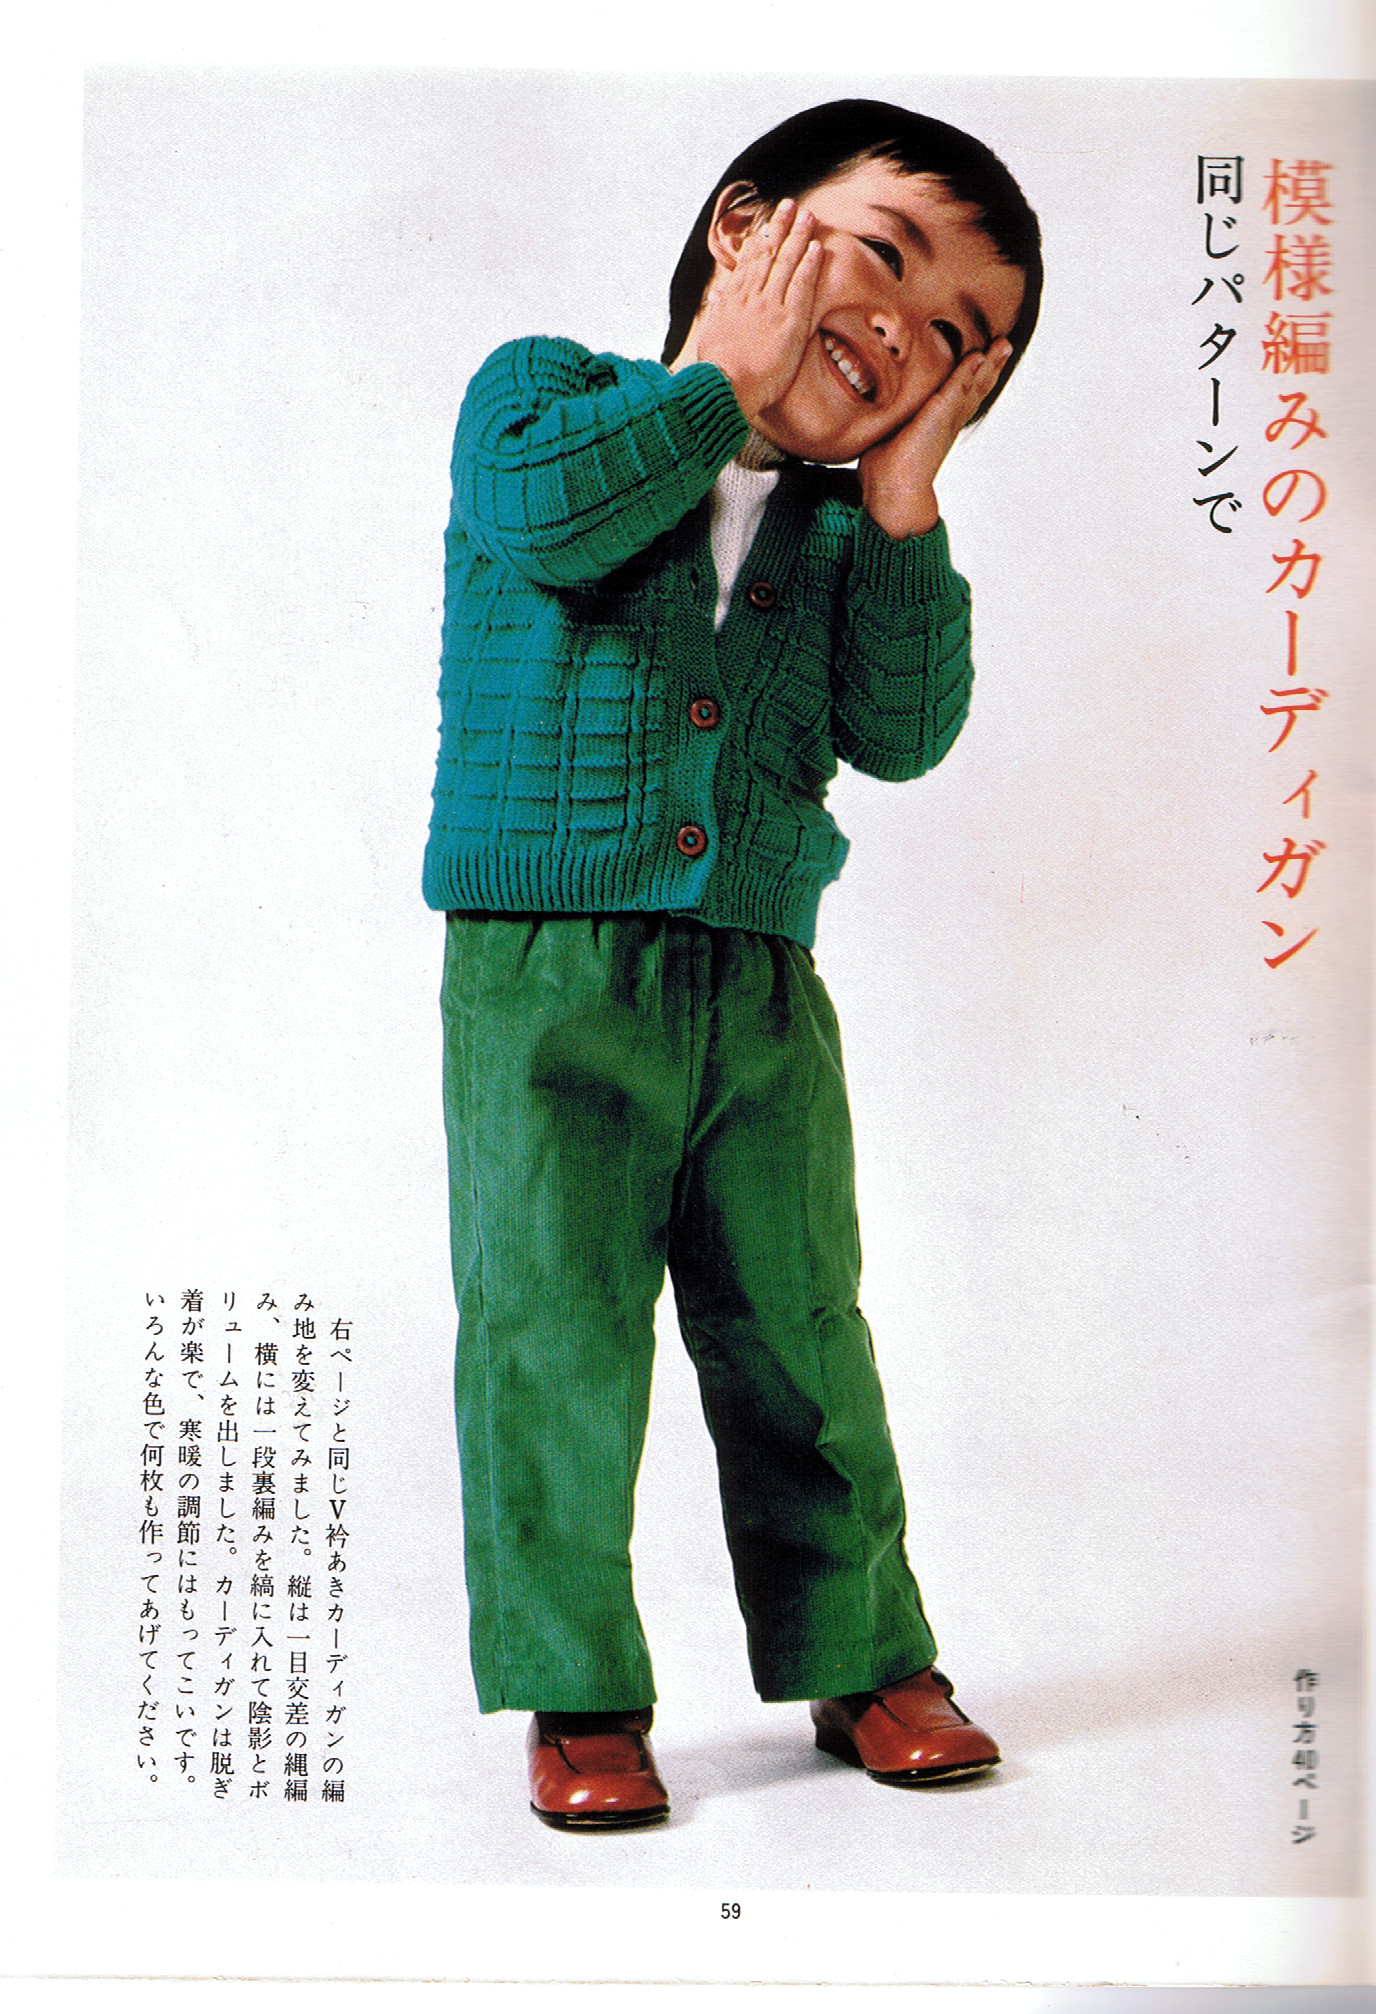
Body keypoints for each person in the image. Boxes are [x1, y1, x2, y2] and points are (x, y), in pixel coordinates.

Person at [423, 99, 1042, 1830]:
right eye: (885, 257)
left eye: (957, 337)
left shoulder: (845, 536)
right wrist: (721, 388)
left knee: (801, 1320)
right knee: (551, 1318)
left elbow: (904, 731)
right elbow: (545, 519)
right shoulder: (543, 395)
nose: (902, 329)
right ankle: (576, 1687)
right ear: (744, 225)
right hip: (544, 967)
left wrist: (903, 502)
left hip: (764, 981)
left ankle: (866, 1650)